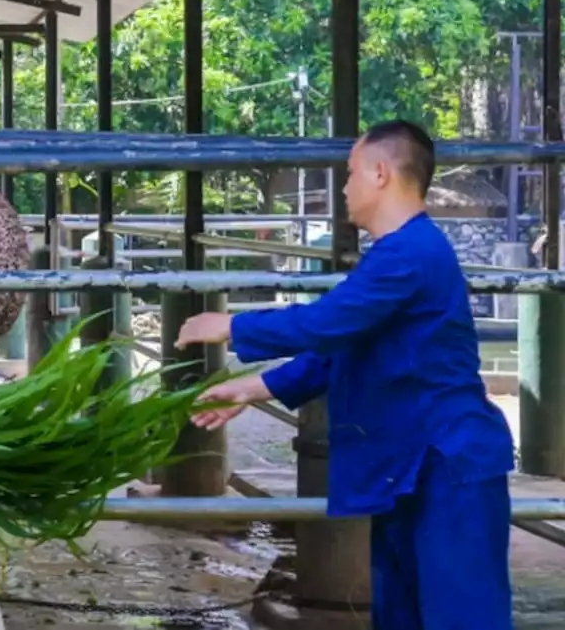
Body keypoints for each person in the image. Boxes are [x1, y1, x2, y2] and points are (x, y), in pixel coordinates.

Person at [176, 119, 515, 629]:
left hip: (447, 465)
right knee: (403, 614)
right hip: (411, 466)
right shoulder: (396, 254)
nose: (343, 186)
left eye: (350, 172)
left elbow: (326, 322)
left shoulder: (412, 253)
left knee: (460, 616)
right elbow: (342, 346)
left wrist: (229, 324)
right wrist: (249, 387)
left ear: (380, 173)